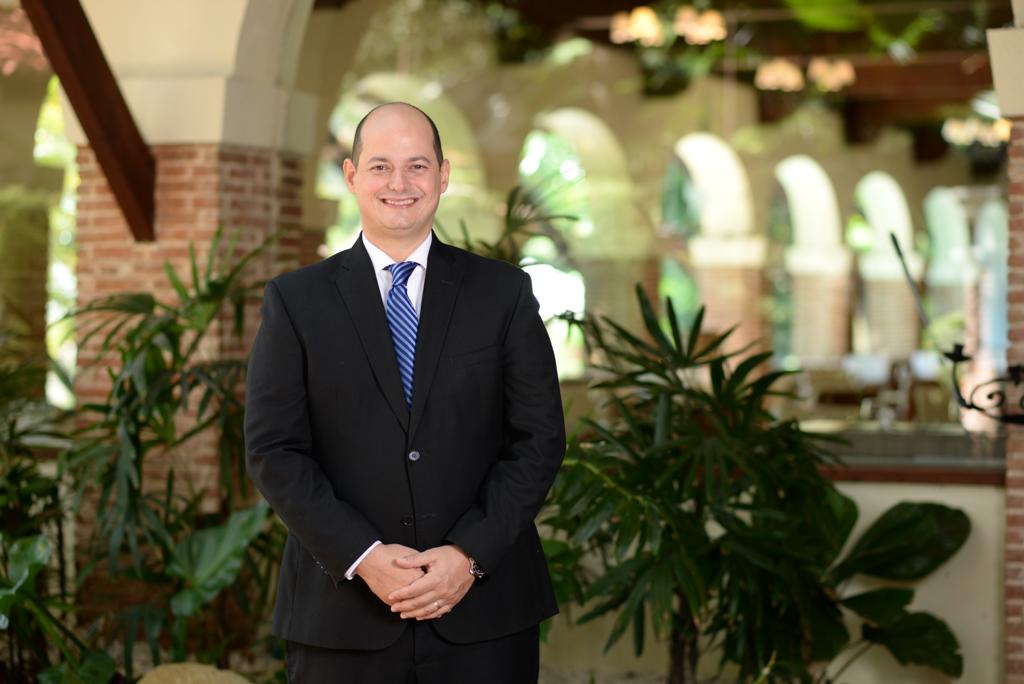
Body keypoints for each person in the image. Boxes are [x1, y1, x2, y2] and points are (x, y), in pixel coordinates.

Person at [245, 101, 566, 683]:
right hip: (340, 618)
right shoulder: (295, 302)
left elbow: (538, 440)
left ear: (443, 175)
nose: (399, 183)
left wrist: (468, 556)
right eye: (380, 166)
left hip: (485, 615)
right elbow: (274, 451)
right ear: (351, 176)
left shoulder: (504, 293)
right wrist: (364, 557)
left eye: (417, 165)